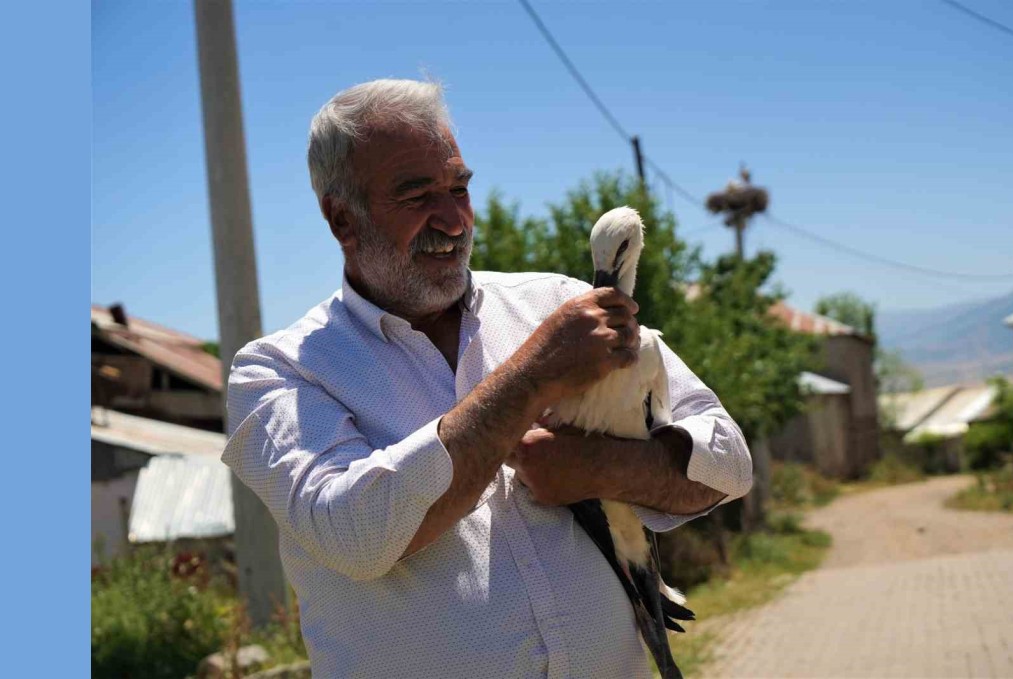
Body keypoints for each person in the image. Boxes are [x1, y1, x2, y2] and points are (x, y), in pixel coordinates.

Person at [222, 78, 752, 678]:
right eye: (417, 195)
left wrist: (597, 469)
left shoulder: (558, 302)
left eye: (459, 188)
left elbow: (729, 465)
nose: (452, 220)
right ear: (343, 220)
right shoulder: (277, 372)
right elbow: (357, 535)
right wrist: (535, 375)